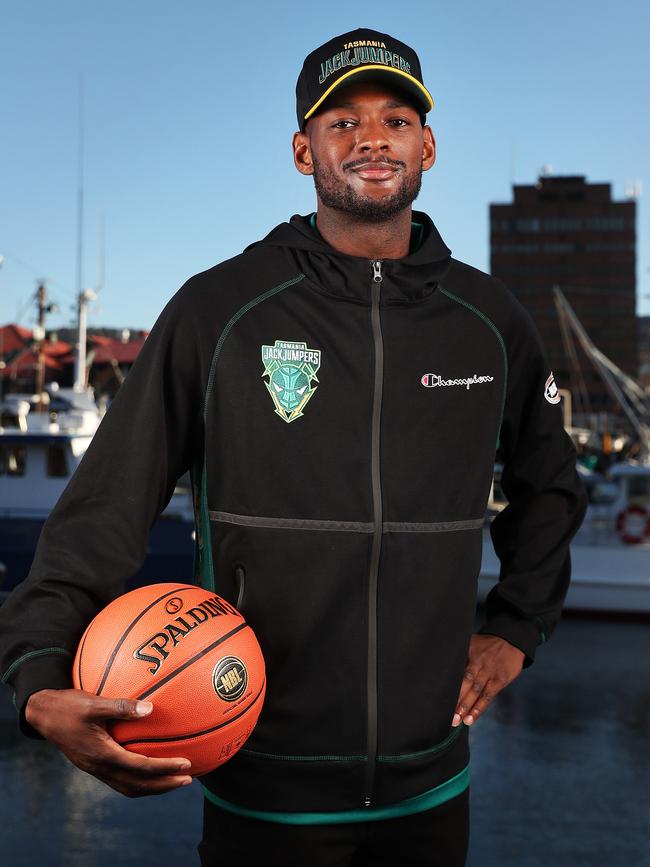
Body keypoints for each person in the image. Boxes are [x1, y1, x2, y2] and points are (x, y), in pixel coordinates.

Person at [0, 27, 588, 867]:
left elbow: (552, 488)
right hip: (262, 785)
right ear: (303, 152)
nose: (371, 138)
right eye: (341, 122)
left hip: (431, 784)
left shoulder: (489, 323)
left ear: (428, 144)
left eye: (394, 118)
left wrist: (516, 628)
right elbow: (101, 510)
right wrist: (37, 676)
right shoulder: (221, 310)